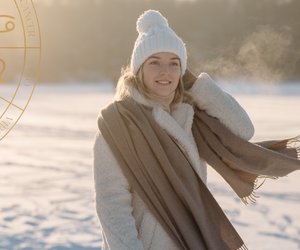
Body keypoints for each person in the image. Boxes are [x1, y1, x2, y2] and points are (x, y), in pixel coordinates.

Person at [94, 10, 300, 250]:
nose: (165, 71)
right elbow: (112, 205)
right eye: (154, 63)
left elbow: (244, 129)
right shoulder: (118, 122)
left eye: (174, 63)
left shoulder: (190, 116)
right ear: (138, 69)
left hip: (192, 240)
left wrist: (196, 85)